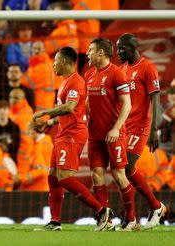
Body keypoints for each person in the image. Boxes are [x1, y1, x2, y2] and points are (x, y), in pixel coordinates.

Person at [32, 47, 111, 231]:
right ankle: (55, 221)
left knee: (65, 178)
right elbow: (71, 113)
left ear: (65, 62)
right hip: (63, 132)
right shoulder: (65, 83)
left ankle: (101, 210)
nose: (53, 64)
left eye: (56, 61)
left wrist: (43, 112)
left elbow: (70, 107)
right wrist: (50, 122)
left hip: (72, 135)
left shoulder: (76, 81)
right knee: (52, 178)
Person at [116, 33, 167, 229]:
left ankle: (143, 212)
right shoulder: (122, 70)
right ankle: (151, 209)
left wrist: (154, 129)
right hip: (124, 126)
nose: (119, 52)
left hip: (141, 125)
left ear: (133, 48)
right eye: (118, 48)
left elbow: (155, 98)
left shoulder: (147, 67)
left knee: (127, 167)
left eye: (122, 48)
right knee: (121, 170)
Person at [85, 38, 136, 231]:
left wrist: (116, 128)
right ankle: (105, 220)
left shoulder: (117, 74)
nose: (87, 53)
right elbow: (88, 103)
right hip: (95, 135)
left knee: (118, 174)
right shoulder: (89, 74)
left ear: (101, 53)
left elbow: (127, 104)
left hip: (114, 135)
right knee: (96, 175)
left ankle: (130, 218)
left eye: (91, 50)